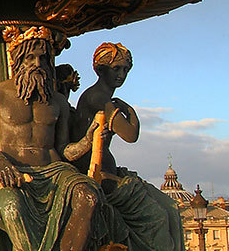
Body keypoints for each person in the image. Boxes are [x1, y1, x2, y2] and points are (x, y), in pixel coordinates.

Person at [0, 26, 101, 251]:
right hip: (12, 175)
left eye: (43, 58)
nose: (37, 64)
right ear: (17, 60)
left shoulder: (58, 102)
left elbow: (63, 149)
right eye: (30, 57)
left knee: (88, 196)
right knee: (11, 207)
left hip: (55, 172)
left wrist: (86, 142)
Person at [62, 43, 183, 251]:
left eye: (125, 69)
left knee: (170, 208)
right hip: (104, 178)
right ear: (100, 70)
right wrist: (130, 111)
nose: (121, 75)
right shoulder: (100, 98)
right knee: (159, 217)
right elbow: (130, 135)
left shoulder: (97, 96)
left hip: (108, 174)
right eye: (116, 68)